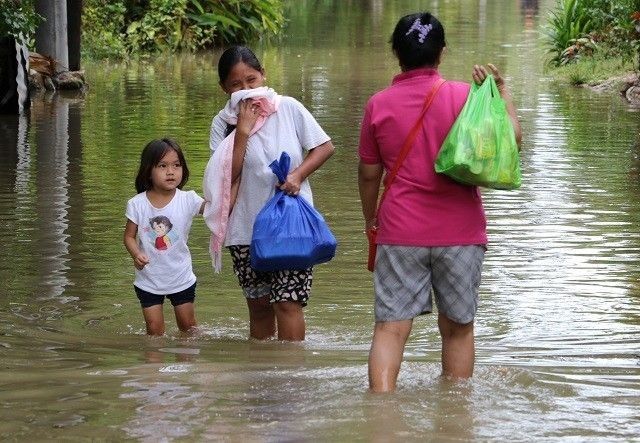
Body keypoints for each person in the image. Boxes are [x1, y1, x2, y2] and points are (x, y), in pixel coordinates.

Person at [358, 12, 522, 392]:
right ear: (442, 52)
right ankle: (455, 415)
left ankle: (380, 416)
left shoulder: (378, 105)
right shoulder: (468, 96)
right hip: (460, 233)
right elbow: (511, 145)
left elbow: (369, 175)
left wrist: (372, 220)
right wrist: (503, 95)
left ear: (396, 52)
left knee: (390, 328)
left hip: (399, 231)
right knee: (458, 329)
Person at [206, 45, 335, 341]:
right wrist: (242, 130)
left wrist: (297, 176)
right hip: (244, 229)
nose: (246, 89)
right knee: (260, 307)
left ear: (263, 75)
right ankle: (262, 378)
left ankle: (291, 377)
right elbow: (226, 177)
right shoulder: (222, 124)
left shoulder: (288, 107)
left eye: (251, 80)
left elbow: (324, 147)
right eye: (236, 85)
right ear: (224, 87)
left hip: (291, 225)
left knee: (288, 304)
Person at [124, 138, 205, 336]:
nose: (171, 171)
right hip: (149, 279)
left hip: (181, 276)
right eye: (162, 166)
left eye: (176, 165)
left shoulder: (188, 199)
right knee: (154, 332)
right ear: (148, 171)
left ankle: (190, 365)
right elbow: (129, 237)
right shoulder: (137, 204)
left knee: (188, 328)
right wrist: (136, 254)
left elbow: (216, 209)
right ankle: (153, 366)